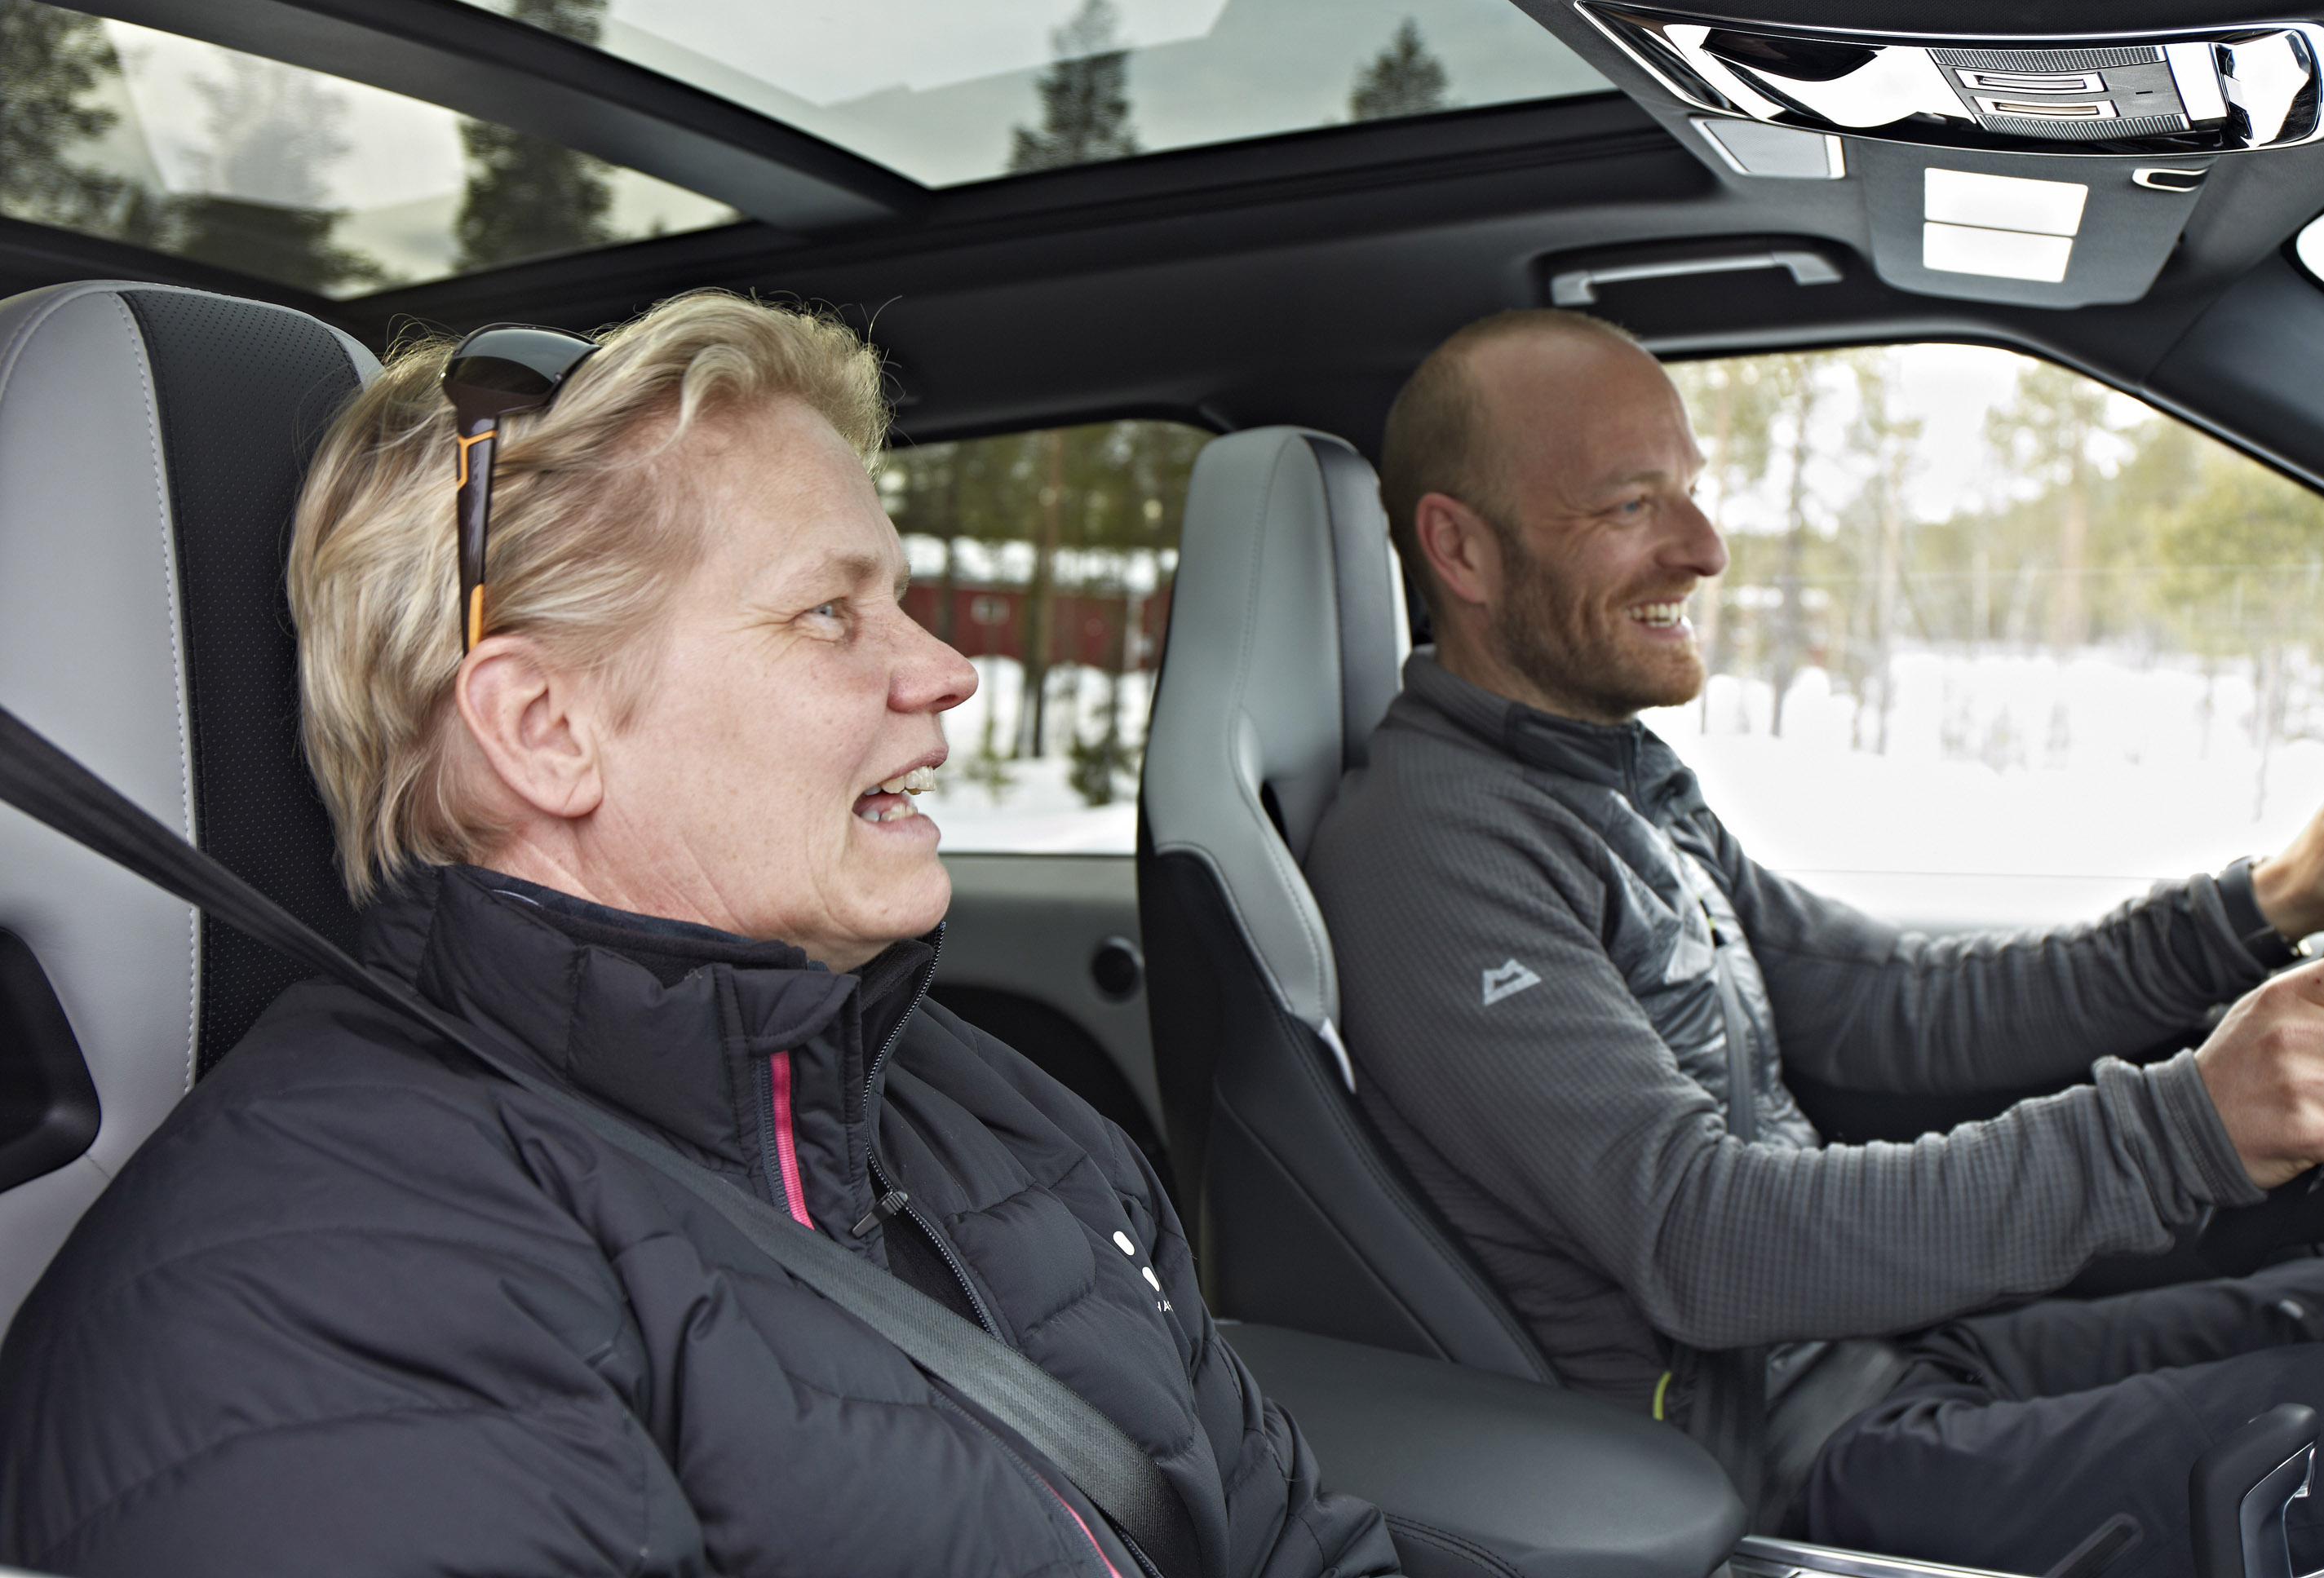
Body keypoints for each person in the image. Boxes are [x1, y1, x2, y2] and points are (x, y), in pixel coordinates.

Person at [0, 291, 1398, 1578]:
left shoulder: (1002, 1114)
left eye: (897, 599)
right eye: (829, 612)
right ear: (545, 732)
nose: (946, 670)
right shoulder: (316, 1294)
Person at [1304, 307, 2324, 1576]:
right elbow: (1704, 1236)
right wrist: (2183, 1128)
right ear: (1460, 549)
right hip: (1788, 1477)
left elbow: (1895, 1004)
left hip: (1883, 1358)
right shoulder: (1437, 850)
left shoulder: (1603, 785)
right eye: (1634, 506)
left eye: (1694, 494)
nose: (1707, 549)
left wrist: (2266, 901)